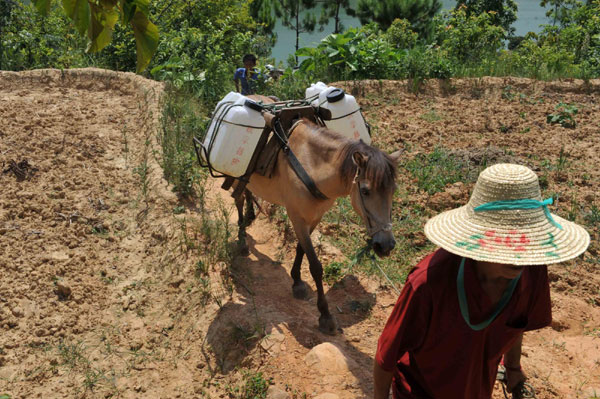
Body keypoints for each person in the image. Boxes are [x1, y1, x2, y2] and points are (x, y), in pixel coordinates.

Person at [374, 163, 590, 399]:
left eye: (527, 247)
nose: (519, 259)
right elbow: (386, 356)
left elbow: (517, 322)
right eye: (509, 247)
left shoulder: (531, 272)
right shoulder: (428, 284)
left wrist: (513, 367)